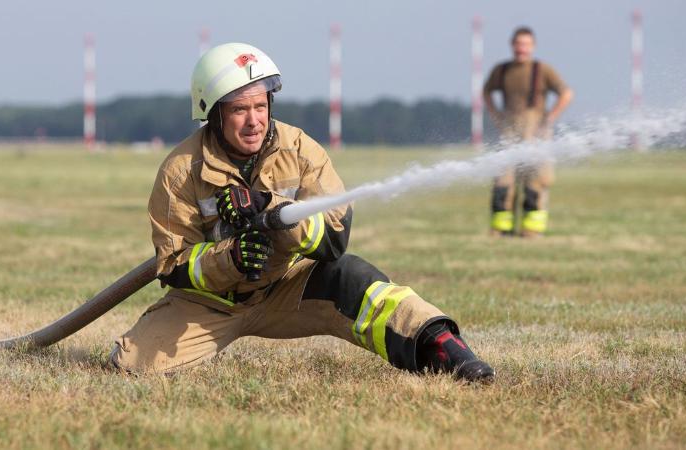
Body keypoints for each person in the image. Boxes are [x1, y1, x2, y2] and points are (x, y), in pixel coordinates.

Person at [109, 43, 495, 383]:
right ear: (214, 115)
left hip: (287, 286)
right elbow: (174, 264)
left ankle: (442, 348)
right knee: (133, 364)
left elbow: (333, 238)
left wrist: (271, 208)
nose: (254, 120)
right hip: (210, 302)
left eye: (260, 106)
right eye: (240, 109)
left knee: (354, 280)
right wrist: (232, 259)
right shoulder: (180, 171)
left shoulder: (301, 149)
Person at [483, 26, 573, 238]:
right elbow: (486, 92)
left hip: (537, 132)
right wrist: (495, 115)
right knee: (503, 181)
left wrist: (550, 117)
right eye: (518, 44)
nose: (521, 48)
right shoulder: (501, 70)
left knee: (536, 180)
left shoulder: (543, 70)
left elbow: (566, 93)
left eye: (525, 44)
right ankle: (501, 229)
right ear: (512, 45)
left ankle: (532, 230)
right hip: (509, 130)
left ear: (532, 47)